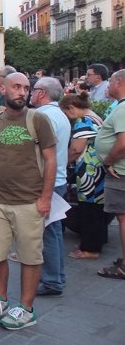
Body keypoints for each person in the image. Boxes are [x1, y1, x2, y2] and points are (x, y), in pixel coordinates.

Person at [0, 72, 58, 330]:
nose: (22, 92)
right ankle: (0, 299)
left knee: (30, 257)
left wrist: (45, 198)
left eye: (26, 88)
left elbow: (52, 159)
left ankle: (26, 308)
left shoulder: (38, 120)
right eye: (16, 87)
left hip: (29, 202)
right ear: (4, 89)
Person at [31, 77, 71, 297]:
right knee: (53, 232)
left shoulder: (43, 115)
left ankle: (52, 280)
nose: (29, 93)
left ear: (41, 93)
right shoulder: (59, 114)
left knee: (47, 233)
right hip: (56, 180)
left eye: (32, 89)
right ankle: (57, 276)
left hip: (47, 182)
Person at [59, 92, 108, 259]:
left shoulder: (83, 121)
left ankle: (90, 248)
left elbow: (76, 149)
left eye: (66, 113)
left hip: (89, 170)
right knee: (97, 208)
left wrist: (62, 163)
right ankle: (97, 241)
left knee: (89, 209)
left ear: (71, 108)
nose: (67, 117)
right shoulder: (95, 117)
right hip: (98, 169)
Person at [94, 69, 125, 281]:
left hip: (119, 173)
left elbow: (123, 142)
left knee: (123, 218)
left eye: (111, 81)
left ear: (119, 82)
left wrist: (108, 161)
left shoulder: (123, 109)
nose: (108, 86)